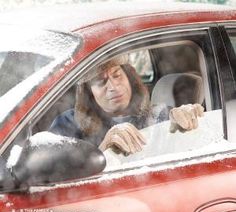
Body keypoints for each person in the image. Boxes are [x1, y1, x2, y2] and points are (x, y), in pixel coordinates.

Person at [50, 56, 204, 155]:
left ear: (130, 78)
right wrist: (103, 152)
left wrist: (192, 124)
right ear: (88, 92)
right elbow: (53, 175)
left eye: (117, 75)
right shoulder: (68, 123)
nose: (113, 87)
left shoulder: (160, 115)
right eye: (100, 81)